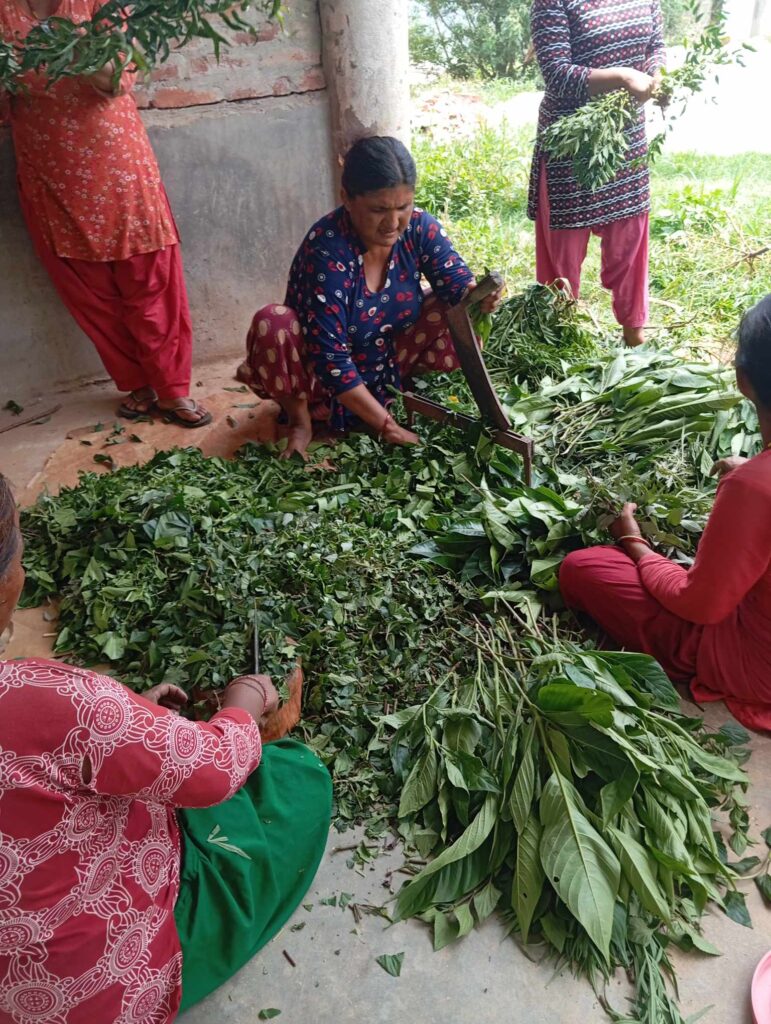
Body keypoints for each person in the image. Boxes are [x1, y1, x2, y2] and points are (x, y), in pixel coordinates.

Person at [0, 472, 332, 1023]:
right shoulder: (42, 699)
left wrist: (124, 715)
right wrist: (243, 705)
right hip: (98, 992)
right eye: (15, 553)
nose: (24, 570)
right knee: (298, 778)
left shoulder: (60, 709)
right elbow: (214, 771)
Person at [560, 294, 771, 731]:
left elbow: (699, 605)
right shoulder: (755, 481)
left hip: (756, 669)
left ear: (742, 380)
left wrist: (634, 542)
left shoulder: (755, 488)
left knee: (583, 567)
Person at [0, 0, 211, 427]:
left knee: (150, 278)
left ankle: (172, 391)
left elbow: (117, 81)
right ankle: (138, 384)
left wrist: (67, 46)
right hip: (50, 174)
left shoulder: (96, 6)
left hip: (118, 168)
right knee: (88, 290)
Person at [238, 135, 504, 460]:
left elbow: (459, 288)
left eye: (403, 207)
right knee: (273, 322)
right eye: (378, 209)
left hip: (388, 363)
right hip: (320, 381)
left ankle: (394, 395)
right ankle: (300, 422)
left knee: (452, 307)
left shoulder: (419, 229)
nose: (393, 223)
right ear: (347, 199)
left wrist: (482, 299)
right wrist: (389, 428)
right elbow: (329, 357)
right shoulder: (327, 249)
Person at [529, 0, 667, 347]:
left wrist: (659, 75)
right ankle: (555, 338)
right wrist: (622, 77)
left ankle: (634, 337)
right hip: (571, 143)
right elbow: (557, 73)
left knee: (629, 241)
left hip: (625, 138)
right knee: (562, 252)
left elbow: (655, 46)